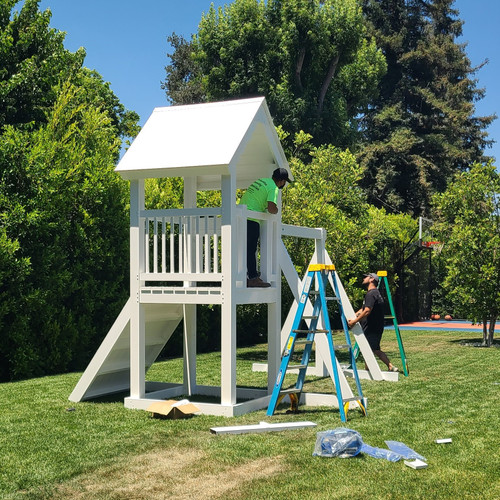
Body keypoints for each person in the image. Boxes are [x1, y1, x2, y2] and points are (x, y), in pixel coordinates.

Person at [239, 167, 292, 287]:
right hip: (251, 219)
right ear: (282, 181)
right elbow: (272, 208)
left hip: (240, 218)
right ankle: (253, 278)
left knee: (242, 249)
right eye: (284, 182)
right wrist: (277, 210)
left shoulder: (262, 181)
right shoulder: (273, 188)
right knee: (251, 249)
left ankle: (244, 276)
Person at [347, 273, 398, 372]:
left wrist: (354, 321)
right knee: (371, 348)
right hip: (376, 327)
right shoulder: (376, 293)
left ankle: (390, 366)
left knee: (373, 349)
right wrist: (353, 316)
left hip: (371, 328)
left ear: (371, 280)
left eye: (366, 277)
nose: (364, 278)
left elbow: (367, 311)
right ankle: (369, 368)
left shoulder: (371, 294)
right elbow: (363, 310)